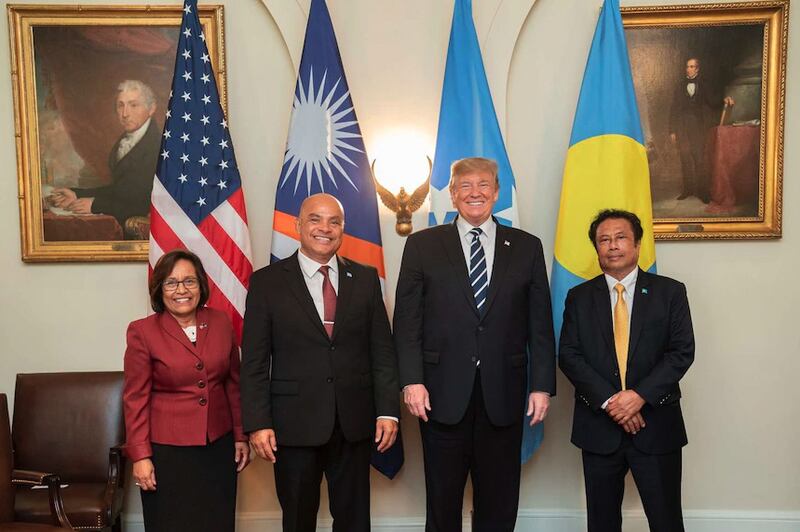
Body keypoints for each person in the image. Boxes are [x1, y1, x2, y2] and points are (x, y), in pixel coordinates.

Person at [393, 157, 556, 532]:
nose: (475, 193)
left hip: (504, 394)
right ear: (451, 194)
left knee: (499, 504)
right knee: (442, 502)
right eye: (464, 186)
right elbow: (407, 322)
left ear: (497, 193)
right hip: (439, 395)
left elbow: (540, 324)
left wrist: (542, 385)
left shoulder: (527, 247)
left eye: (484, 185)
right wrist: (411, 380)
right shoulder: (422, 246)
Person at [240, 193, 400, 532]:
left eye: (334, 222)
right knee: (298, 519)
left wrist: (387, 411)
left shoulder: (366, 279)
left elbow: (382, 352)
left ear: (343, 229)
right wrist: (257, 422)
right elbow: (254, 361)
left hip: (354, 422)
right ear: (298, 225)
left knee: (354, 520)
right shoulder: (267, 282)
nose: (325, 228)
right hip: (292, 425)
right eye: (315, 219)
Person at [559, 209, 695, 532]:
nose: (612, 246)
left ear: (637, 245)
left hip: (656, 425)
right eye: (604, 240)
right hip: (599, 428)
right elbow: (568, 354)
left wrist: (638, 397)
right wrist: (612, 402)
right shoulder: (578, 298)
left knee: (666, 522)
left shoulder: (670, 293)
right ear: (596, 248)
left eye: (620, 238)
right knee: (602, 524)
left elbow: (681, 352)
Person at [123, 249, 250, 532]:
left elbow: (233, 383)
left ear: (201, 285)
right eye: (171, 282)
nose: (181, 290)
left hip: (218, 446)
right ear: (160, 289)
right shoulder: (142, 332)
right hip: (167, 452)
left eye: (189, 281)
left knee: (217, 522)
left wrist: (241, 435)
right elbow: (135, 399)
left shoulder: (220, 322)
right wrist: (141, 456)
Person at [49, 79, 161, 229]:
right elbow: (120, 189)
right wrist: (77, 194)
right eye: (120, 105)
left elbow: (141, 202)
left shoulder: (156, 146)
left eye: (133, 105)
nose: (125, 113)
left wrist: (96, 205)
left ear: (151, 108)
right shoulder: (125, 140)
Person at [669, 58, 735, 202]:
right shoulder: (679, 85)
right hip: (681, 126)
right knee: (685, 158)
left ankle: (702, 192)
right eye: (687, 66)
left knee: (699, 159)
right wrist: (672, 131)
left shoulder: (703, 84)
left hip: (697, 127)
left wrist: (724, 99)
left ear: (697, 69)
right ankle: (687, 190)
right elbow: (673, 109)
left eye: (692, 67)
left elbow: (712, 101)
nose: (689, 69)